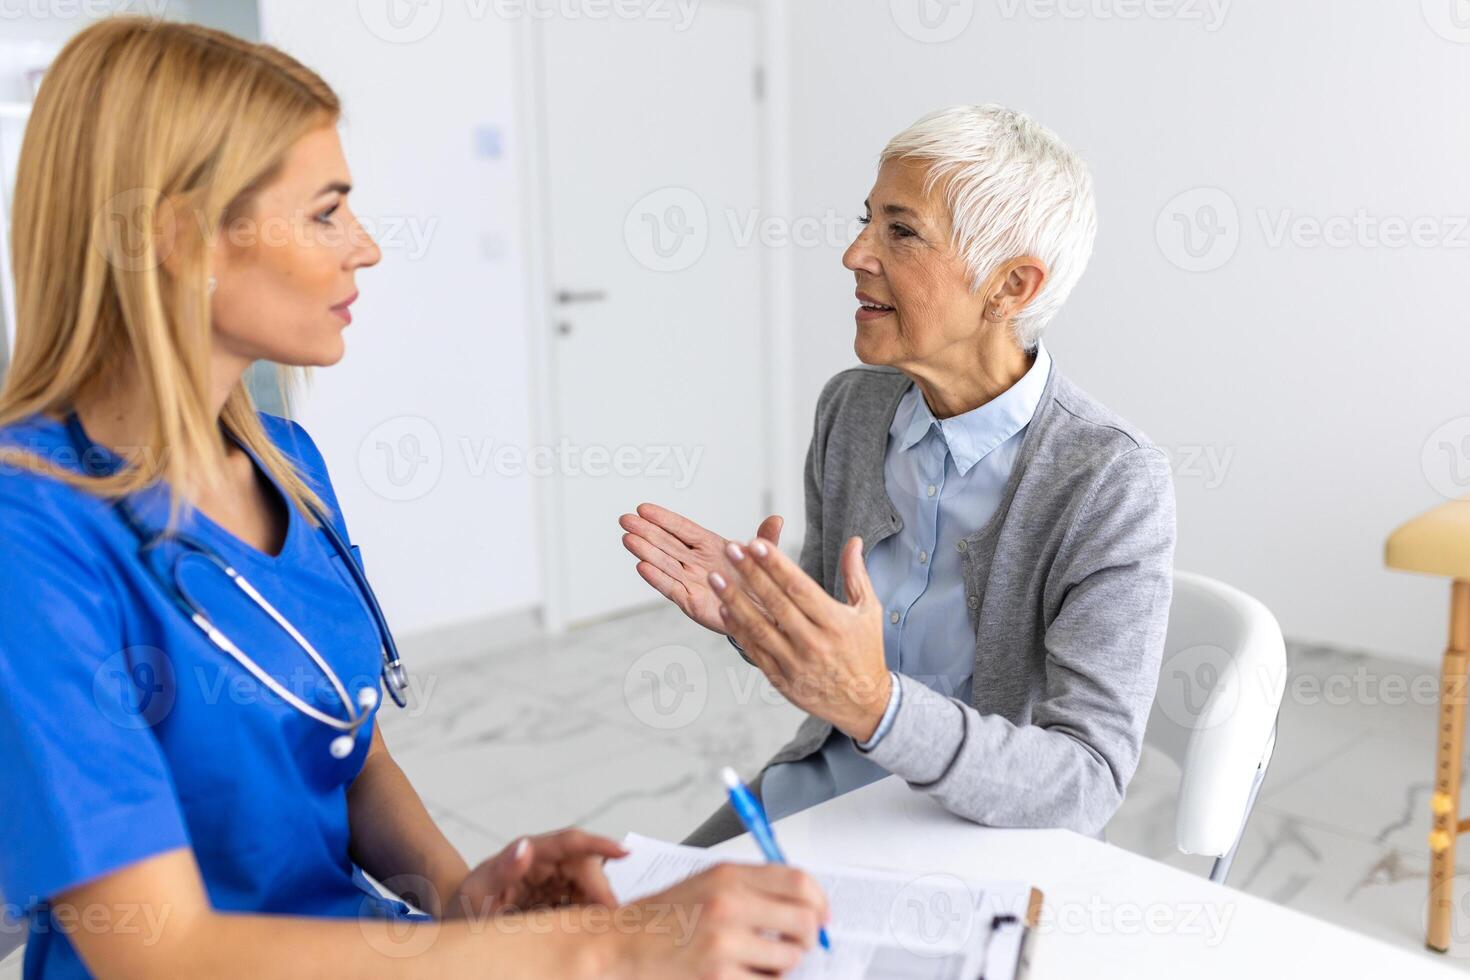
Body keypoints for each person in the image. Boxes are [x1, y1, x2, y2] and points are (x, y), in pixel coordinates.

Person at [0, 18, 825, 979]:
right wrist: (604, 947)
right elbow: (163, 951)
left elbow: (352, 756)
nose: (367, 249)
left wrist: (461, 899)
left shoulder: (288, 466)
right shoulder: (33, 531)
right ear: (179, 237)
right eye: (326, 212)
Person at [621, 104, 1177, 846]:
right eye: (866, 220)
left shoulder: (1110, 481)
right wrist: (759, 615)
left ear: (1010, 286)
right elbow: (833, 642)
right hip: (822, 790)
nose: (855, 254)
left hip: (982, 833)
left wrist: (878, 706)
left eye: (900, 231)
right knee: (629, 920)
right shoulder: (853, 407)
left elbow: (1085, 782)